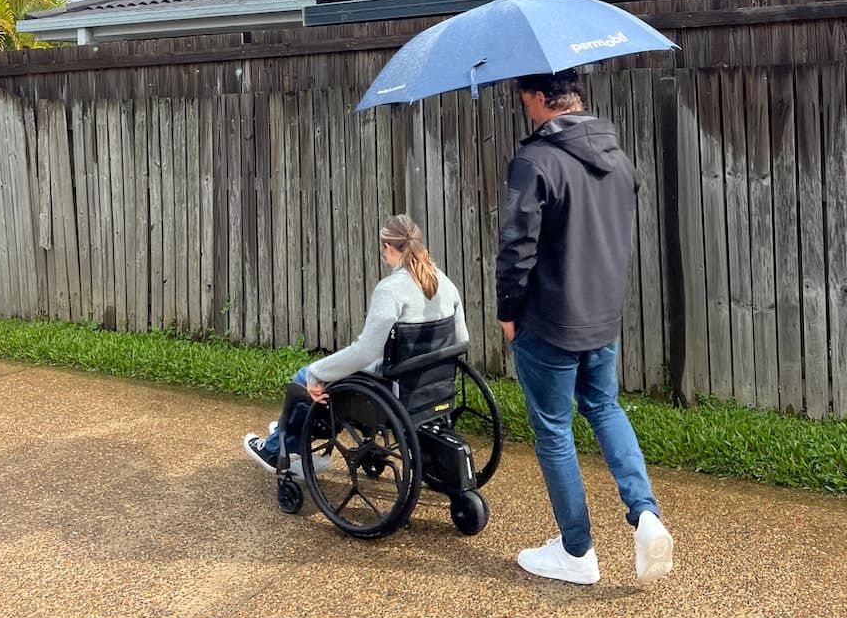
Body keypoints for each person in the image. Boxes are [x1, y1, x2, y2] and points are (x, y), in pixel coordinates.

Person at [496, 68, 674, 587]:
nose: (525, 109)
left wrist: (508, 311)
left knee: (554, 432)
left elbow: (516, 248)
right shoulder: (619, 160)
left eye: (525, 99)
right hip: (603, 318)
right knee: (604, 406)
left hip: (548, 322)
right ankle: (645, 514)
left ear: (538, 97)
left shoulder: (534, 161)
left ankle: (577, 554)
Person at [244, 214, 468, 475]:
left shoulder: (391, 290)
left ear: (388, 247)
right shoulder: (445, 282)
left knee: (305, 377)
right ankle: (288, 431)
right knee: (328, 375)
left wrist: (317, 372)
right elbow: (461, 340)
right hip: (434, 388)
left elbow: (365, 352)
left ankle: (275, 449)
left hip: (392, 387)